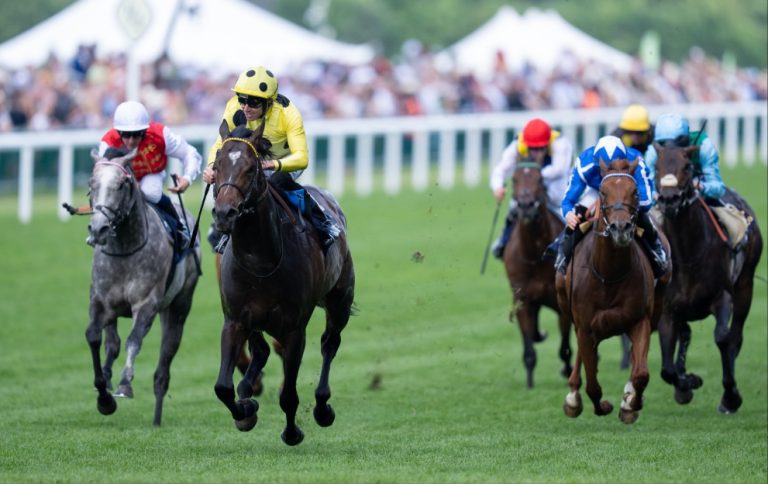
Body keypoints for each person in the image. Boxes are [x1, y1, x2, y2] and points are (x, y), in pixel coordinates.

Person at [202, 66, 339, 252]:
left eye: (254, 102)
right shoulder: (234, 107)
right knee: (232, 179)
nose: (246, 107)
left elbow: (302, 157)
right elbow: (221, 144)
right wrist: (211, 167)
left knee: (277, 180)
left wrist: (274, 164)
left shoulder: (288, 114)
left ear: (269, 102)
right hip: (250, 161)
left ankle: (322, 221)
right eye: (242, 99)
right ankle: (223, 228)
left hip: (286, 161)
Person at [553, 135, 669, 278]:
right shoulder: (584, 163)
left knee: (643, 217)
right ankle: (564, 253)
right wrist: (568, 214)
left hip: (625, 193)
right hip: (597, 191)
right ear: (598, 165)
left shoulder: (636, 161)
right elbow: (567, 201)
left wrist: (621, 205)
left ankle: (655, 248)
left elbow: (645, 202)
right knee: (578, 214)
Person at [98, 100, 202, 248]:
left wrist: (187, 178)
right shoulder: (108, 142)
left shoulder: (160, 135)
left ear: (145, 131)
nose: (131, 141)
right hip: (122, 179)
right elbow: (103, 173)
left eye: (137, 134)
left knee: (150, 192)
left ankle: (180, 227)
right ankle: (98, 231)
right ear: (118, 132)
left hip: (150, 174)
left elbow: (189, 153)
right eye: (126, 135)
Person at [645, 112, 750, 249]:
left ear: (686, 140)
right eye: (665, 144)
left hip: (700, 193)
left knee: (736, 227)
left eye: (676, 144)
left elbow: (718, 188)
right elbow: (648, 187)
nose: (670, 150)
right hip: (666, 198)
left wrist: (700, 187)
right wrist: (655, 195)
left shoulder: (704, 146)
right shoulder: (654, 152)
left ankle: (734, 254)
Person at [489, 118, 573, 259]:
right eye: (532, 149)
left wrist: (535, 175)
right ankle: (503, 240)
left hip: (557, 180)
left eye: (540, 149)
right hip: (530, 178)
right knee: (515, 204)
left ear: (547, 143)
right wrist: (497, 187)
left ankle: (572, 238)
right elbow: (500, 169)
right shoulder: (517, 145)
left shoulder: (561, 143)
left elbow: (559, 169)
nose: (536, 153)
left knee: (563, 204)